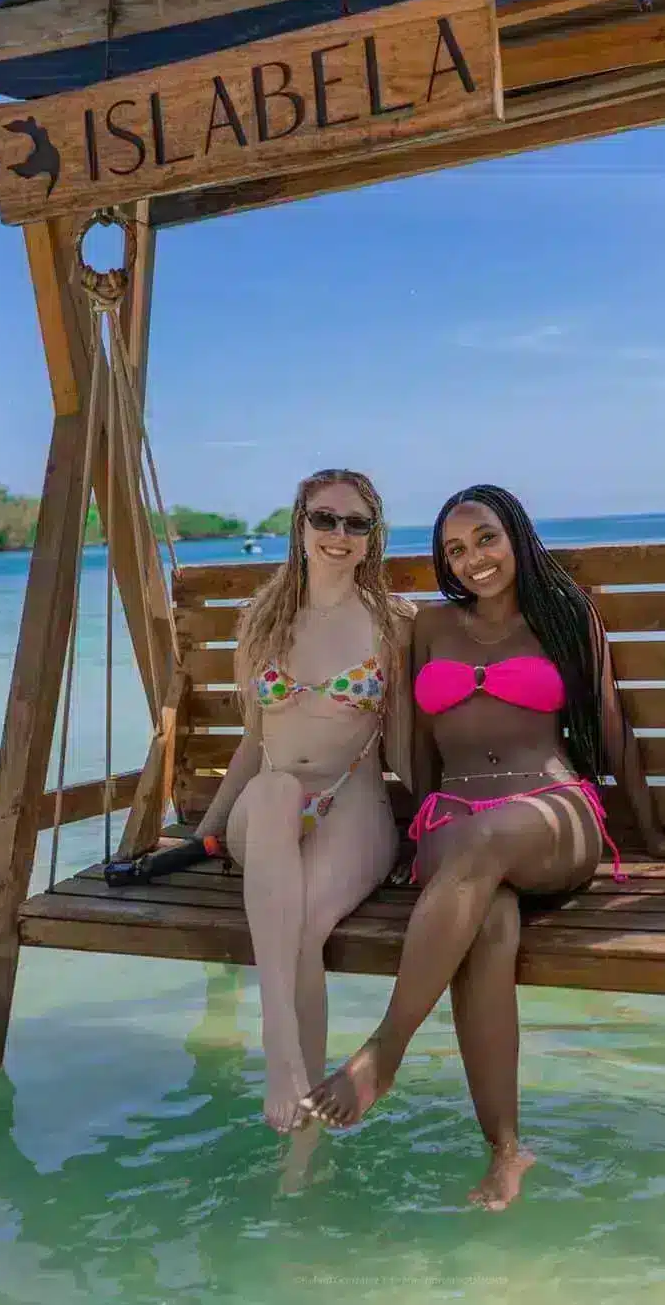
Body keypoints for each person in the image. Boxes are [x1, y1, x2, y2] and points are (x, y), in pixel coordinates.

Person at [301, 483, 665, 1209]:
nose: (474, 558)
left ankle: (385, 1050)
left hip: (552, 813)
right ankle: (506, 1150)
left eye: (486, 537)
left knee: (487, 841)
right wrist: (405, 833)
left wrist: (650, 832)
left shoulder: (565, 616)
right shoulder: (429, 626)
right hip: (453, 820)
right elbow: (414, 744)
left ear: (515, 534)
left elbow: (612, 727)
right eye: (456, 549)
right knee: (487, 922)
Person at [188, 469, 415, 1133]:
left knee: (307, 929)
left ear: (373, 537)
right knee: (276, 787)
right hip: (267, 815)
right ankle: (279, 1041)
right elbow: (253, 742)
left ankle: (303, 1148)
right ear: (300, 524)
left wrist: (435, 829)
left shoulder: (395, 624)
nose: (339, 534)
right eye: (325, 518)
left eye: (356, 523)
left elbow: (404, 744)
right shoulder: (262, 619)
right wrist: (204, 830)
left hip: (353, 804)